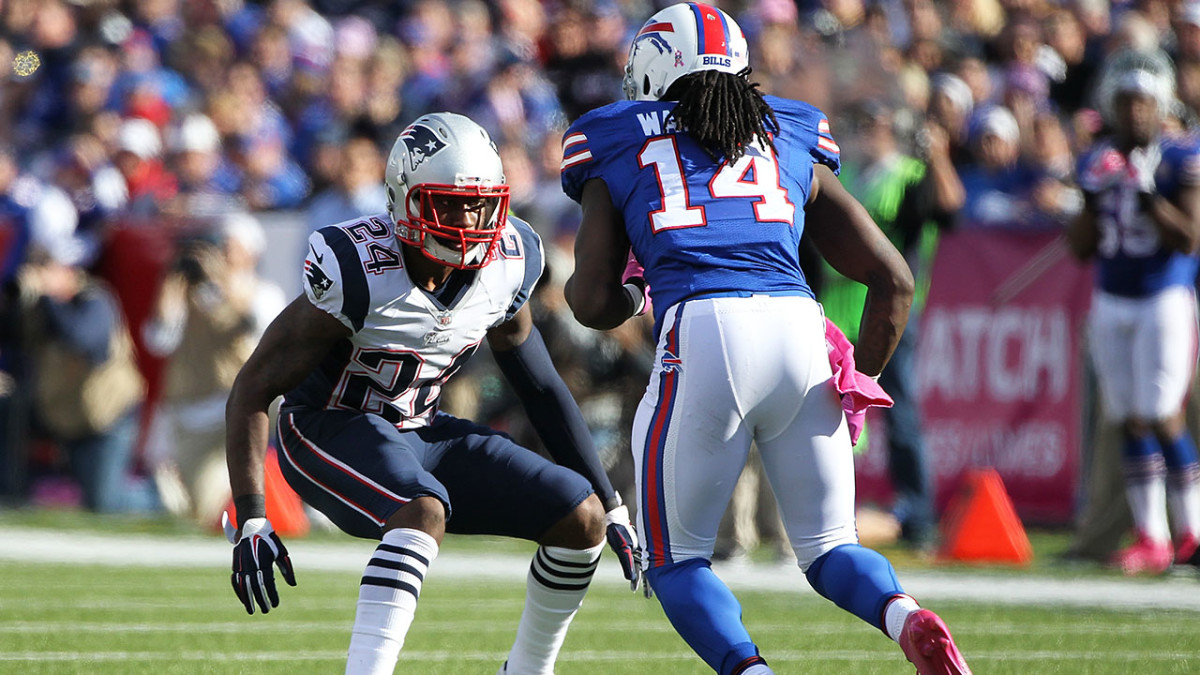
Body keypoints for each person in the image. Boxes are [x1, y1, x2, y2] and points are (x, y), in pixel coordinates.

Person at [560, 4, 970, 675]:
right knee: (831, 545)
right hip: (798, 329)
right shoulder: (790, 131)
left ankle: (750, 671)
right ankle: (907, 615)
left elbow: (590, 300)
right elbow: (893, 278)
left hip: (701, 326)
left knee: (673, 558)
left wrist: (639, 291)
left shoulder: (613, 136)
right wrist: (855, 382)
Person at [223, 112, 639, 675]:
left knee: (581, 518)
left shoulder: (509, 262)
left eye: (480, 204)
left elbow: (539, 385)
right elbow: (252, 387)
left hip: (420, 428)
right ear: (405, 200)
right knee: (421, 511)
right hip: (326, 426)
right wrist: (252, 515)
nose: (468, 220)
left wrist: (612, 503)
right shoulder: (359, 269)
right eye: (449, 203)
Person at [1067, 53, 1200, 575]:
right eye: (1126, 100)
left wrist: (1146, 197)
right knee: (1126, 419)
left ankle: (1192, 533)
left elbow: (1189, 237)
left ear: (1160, 102)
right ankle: (1153, 539)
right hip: (1111, 296)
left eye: (1143, 100)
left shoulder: (1179, 156)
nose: (1135, 111)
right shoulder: (1097, 159)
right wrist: (1094, 197)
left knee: (1163, 415)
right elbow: (1080, 248)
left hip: (1163, 295)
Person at [820, 99, 964, 550]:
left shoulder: (909, 175)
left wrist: (937, 155)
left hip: (887, 312)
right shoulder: (853, 174)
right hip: (840, 308)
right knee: (830, 413)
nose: (867, 132)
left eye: (875, 123)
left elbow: (951, 210)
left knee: (899, 412)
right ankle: (830, 510)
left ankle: (919, 514)